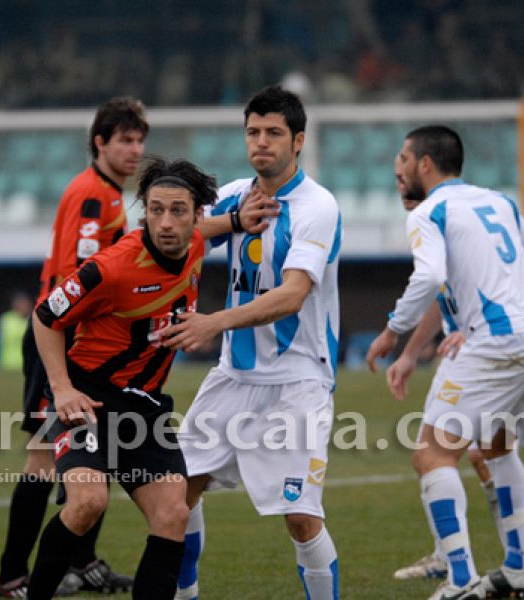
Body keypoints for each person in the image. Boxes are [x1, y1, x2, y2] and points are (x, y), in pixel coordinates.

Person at [366, 126, 524, 600]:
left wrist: (393, 330)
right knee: (496, 447)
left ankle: (458, 578)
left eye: (403, 160)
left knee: (432, 454)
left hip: (497, 342)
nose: (399, 169)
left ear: (424, 164)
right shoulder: (497, 202)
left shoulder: (430, 210)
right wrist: (505, 309)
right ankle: (519, 567)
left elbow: (429, 275)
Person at [165, 85, 343, 600]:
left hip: (298, 382)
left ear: (298, 140)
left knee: (301, 518)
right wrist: (235, 219)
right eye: (253, 132)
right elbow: (177, 234)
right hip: (234, 377)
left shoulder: (317, 207)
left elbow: (292, 295)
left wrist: (213, 322)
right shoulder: (239, 194)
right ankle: (186, 593)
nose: (261, 142)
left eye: (273, 133)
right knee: (175, 496)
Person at [26, 158, 218, 600]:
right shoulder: (110, 268)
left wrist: (241, 219)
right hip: (88, 399)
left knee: (173, 513)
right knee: (88, 503)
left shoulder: (195, 245)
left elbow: (212, 229)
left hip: (144, 405)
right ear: (143, 211)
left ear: (196, 217)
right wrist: (61, 389)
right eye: (155, 210)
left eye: (177, 211)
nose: (165, 223)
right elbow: (45, 316)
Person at [0, 96, 148, 598]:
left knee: (94, 452)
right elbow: (83, 275)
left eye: (139, 139)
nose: (135, 149)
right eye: (125, 139)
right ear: (100, 142)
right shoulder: (92, 196)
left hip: (85, 346)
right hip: (60, 341)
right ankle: (13, 575)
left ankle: (80, 563)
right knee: (43, 458)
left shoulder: (103, 194)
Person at [387, 154, 508, 583]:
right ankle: (452, 555)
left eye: (404, 175)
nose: (401, 185)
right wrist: (409, 354)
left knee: (469, 453)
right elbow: (442, 301)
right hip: (468, 353)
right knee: (440, 455)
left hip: (491, 351)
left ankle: (504, 564)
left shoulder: (448, 220)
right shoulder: (451, 223)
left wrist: (477, 330)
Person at [0, 292, 33, 371]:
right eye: (21, 303)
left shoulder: (32, 319)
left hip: (26, 365)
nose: (23, 306)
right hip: (8, 363)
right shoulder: (7, 319)